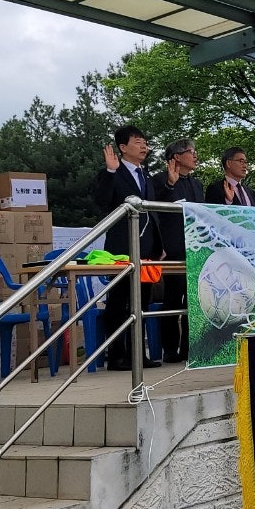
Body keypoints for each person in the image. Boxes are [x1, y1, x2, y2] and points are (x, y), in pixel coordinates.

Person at [93, 125, 161, 370]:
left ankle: (137, 355)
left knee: (141, 303)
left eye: (145, 142)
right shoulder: (113, 172)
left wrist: (159, 245)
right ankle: (117, 356)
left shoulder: (146, 175)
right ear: (122, 147)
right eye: (137, 142)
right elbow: (101, 201)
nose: (144, 146)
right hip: (121, 248)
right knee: (118, 302)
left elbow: (153, 212)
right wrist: (111, 171)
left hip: (146, 249)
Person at [150, 139, 203, 363]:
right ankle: (170, 349)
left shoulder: (196, 184)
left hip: (195, 247)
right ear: (177, 157)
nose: (195, 156)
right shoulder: (159, 180)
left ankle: (190, 349)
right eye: (191, 152)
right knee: (173, 297)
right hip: (172, 248)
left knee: (194, 300)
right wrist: (170, 185)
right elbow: (154, 210)